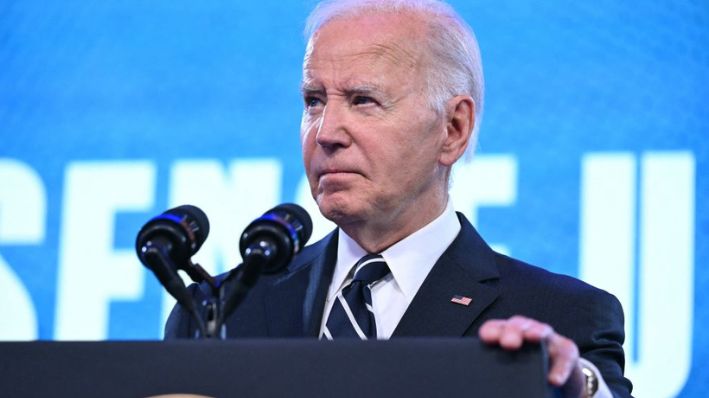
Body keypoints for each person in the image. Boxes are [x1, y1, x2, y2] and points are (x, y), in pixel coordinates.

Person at [166, 0, 633, 396]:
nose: (326, 133)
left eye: (363, 100)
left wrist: (579, 386)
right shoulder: (219, 310)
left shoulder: (556, 317)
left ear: (453, 130)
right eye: (313, 100)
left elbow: (588, 382)